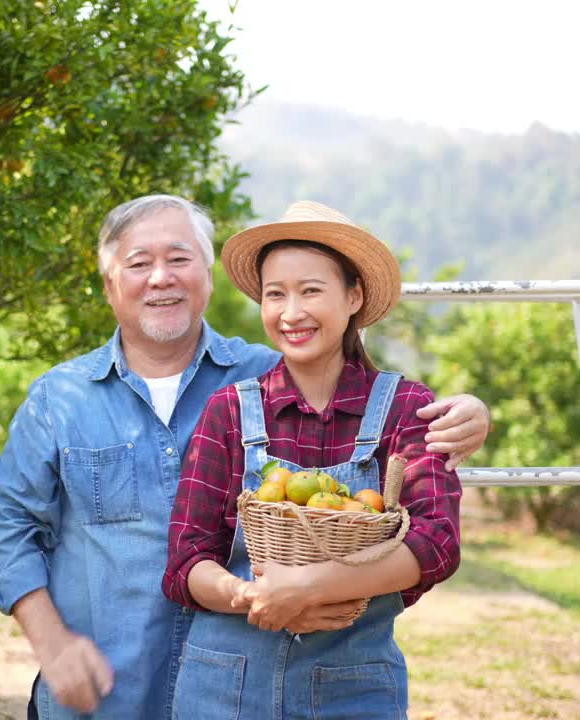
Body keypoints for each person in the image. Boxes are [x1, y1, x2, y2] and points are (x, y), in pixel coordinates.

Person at [0, 195, 488, 720]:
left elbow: (428, 519)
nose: (160, 278)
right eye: (138, 263)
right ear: (109, 285)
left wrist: (467, 414)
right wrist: (53, 644)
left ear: (207, 274)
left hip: (297, 685)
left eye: (179, 258)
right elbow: (8, 522)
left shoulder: (273, 375)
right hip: (110, 693)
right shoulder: (62, 398)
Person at [162, 200, 459, 719]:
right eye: (275, 294)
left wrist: (306, 589)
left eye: (311, 291)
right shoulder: (229, 412)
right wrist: (253, 596)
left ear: (354, 296)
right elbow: (186, 562)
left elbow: (436, 541)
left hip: (354, 689)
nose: (291, 312)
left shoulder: (405, 408)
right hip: (223, 687)